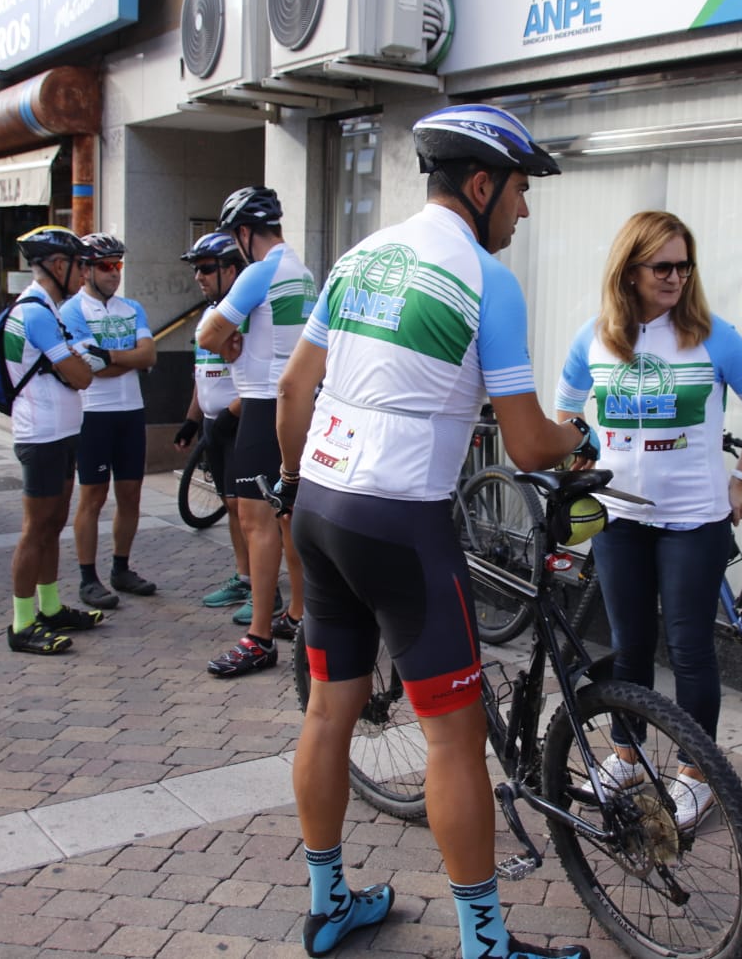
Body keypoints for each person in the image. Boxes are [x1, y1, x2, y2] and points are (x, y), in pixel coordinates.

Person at [273, 104, 599, 959]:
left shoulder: (358, 257)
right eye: (522, 192)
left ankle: (327, 904)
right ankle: (486, 946)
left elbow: (292, 396)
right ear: (483, 184)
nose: (525, 212)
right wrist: (581, 436)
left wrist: (297, 486)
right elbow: (528, 443)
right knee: (454, 739)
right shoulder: (488, 283)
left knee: (327, 714)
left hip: (320, 508)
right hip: (400, 523)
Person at [554, 209, 742, 830]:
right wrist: (578, 460)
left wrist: (739, 480)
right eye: (663, 266)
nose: (677, 276)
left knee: (688, 649)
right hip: (619, 518)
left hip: (694, 519)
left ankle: (695, 773)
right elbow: (569, 413)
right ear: (629, 270)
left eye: (685, 265)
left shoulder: (715, 337)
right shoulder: (593, 339)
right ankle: (626, 755)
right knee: (627, 644)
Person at [197, 187, 313, 675]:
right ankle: (298, 615)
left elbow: (207, 336)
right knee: (288, 519)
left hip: (265, 407)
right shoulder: (303, 273)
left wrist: (228, 337)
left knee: (256, 521)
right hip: (303, 402)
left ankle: (259, 636)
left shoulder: (259, 272)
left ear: (244, 233)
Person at [4, 225, 111, 654]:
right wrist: (89, 362)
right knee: (36, 529)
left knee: (52, 524)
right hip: (42, 435)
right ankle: (22, 622)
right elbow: (84, 376)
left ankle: (48, 607)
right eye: (81, 266)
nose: (84, 276)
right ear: (59, 265)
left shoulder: (47, 308)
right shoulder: (36, 313)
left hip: (60, 431)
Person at [60, 233, 158, 609]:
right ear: (85, 269)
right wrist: (125, 356)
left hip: (130, 412)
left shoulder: (131, 307)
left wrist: (113, 357)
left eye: (118, 265)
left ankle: (121, 568)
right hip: (92, 415)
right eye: (105, 266)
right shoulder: (71, 311)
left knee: (130, 493)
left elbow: (148, 356)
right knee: (94, 496)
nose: (114, 273)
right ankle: (88, 578)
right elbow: (92, 368)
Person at [174, 232, 257, 613]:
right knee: (230, 504)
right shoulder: (210, 315)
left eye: (206, 268)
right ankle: (244, 579)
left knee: (251, 509)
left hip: (239, 421)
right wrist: (192, 420)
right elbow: (201, 372)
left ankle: (265, 590)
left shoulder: (249, 312)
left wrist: (231, 413)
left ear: (231, 269)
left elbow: (262, 376)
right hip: (213, 422)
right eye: (197, 270)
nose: (199, 276)